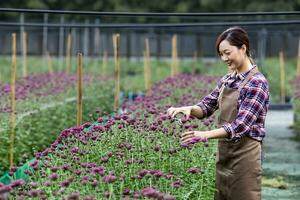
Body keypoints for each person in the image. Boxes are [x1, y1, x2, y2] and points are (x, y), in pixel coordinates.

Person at [167, 26, 269, 200]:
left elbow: (240, 126)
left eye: (227, 53)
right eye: (221, 54)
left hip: (246, 156)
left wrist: (204, 135)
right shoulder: (228, 79)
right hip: (225, 155)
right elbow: (206, 106)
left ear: (243, 48)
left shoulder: (257, 83)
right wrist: (189, 109)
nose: (224, 58)